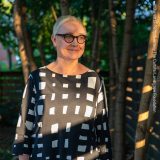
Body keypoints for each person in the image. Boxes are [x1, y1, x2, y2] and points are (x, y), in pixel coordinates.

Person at [12, 15, 112, 160]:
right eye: (68, 36)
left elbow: (102, 133)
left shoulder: (94, 80)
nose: (75, 43)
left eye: (81, 37)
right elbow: (23, 131)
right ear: (54, 40)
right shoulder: (37, 78)